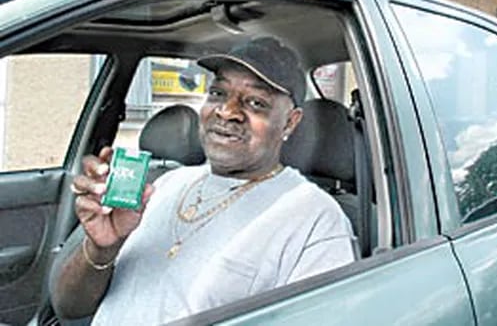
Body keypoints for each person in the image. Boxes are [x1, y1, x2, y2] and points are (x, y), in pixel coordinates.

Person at [50, 37, 356, 324]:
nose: (227, 111)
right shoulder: (163, 185)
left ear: (290, 122)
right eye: (218, 93)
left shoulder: (315, 218)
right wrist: (101, 249)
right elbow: (70, 308)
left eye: (255, 103)